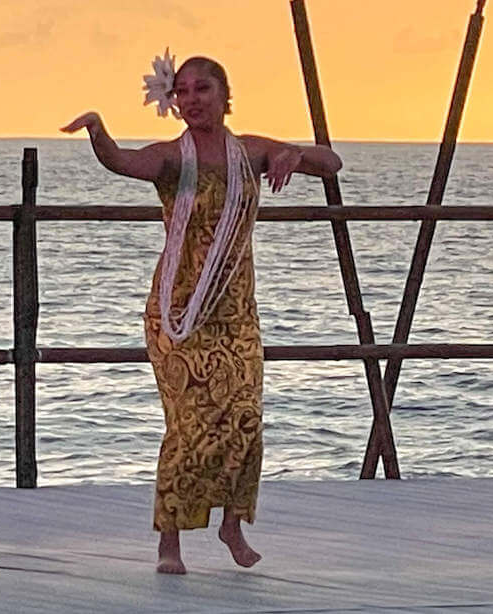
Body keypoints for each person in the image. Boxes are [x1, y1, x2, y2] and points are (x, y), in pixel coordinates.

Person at [61, 55, 342, 575]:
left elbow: (332, 163)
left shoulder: (251, 151)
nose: (192, 99)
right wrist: (98, 131)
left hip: (235, 312)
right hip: (177, 313)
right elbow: (123, 162)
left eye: (202, 89)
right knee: (189, 425)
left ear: (224, 94)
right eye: (183, 91)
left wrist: (294, 153)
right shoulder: (173, 158)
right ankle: (170, 541)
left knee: (245, 419)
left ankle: (232, 523)